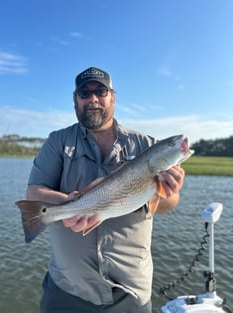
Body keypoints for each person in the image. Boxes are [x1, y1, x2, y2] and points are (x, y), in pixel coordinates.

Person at [26, 66, 185, 313]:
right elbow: (34, 192)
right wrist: (70, 205)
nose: (93, 100)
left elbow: (168, 204)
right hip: (67, 288)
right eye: (84, 93)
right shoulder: (58, 141)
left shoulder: (146, 144)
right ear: (74, 100)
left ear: (113, 97)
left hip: (130, 291)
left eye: (101, 92)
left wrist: (169, 190)